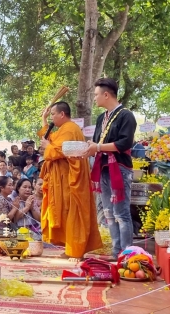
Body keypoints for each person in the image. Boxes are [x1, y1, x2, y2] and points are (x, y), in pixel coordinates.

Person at [38, 101, 102, 259]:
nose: (52, 116)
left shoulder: (69, 129)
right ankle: (71, 248)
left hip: (68, 180)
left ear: (62, 114)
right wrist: (44, 120)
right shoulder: (66, 129)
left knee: (71, 212)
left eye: (53, 114)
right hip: (64, 178)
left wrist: (47, 147)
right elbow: (52, 140)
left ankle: (74, 250)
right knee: (67, 212)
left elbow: (59, 150)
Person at [84, 79, 135, 258]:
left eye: (96, 94)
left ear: (106, 95)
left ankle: (127, 254)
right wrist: (89, 148)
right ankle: (116, 252)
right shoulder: (101, 118)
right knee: (109, 213)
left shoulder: (126, 115)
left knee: (121, 213)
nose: (95, 98)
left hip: (119, 168)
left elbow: (124, 143)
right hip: (103, 167)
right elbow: (98, 142)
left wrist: (97, 147)